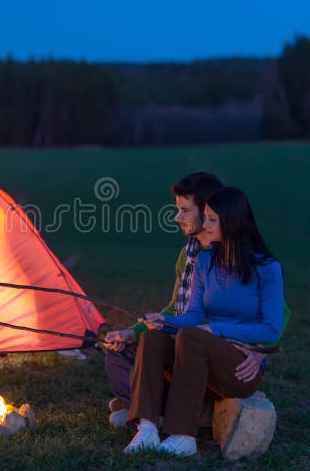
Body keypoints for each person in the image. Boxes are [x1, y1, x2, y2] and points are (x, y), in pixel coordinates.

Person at [123, 187, 284, 457]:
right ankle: (147, 428)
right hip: (202, 359)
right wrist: (165, 320)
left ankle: (183, 435)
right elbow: (195, 315)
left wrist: (214, 329)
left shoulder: (267, 268)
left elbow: (270, 329)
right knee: (152, 338)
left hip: (239, 369)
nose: (204, 225)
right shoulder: (204, 260)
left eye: (212, 220)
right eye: (205, 217)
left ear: (232, 222)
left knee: (191, 337)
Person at [103, 173, 266, 426]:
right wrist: (132, 332)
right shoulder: (188, 255)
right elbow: (175, 308)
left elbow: (278, 313)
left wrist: (259, 350)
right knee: (120, 352)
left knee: (185, 347)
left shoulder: (238, 255)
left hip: (215, 353)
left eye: (185, 210)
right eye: (178, 209)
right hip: (183, 343)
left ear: (209, 210)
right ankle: (156, 410)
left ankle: (152, 408)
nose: (177, 217)